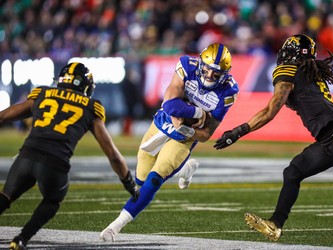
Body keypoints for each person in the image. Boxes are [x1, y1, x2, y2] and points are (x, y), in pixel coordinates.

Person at [214, 34, 333, 241]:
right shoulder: (308, 71)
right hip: (330, 138)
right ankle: (275, 224)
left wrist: (238, 131)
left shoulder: (287, 70)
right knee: (293, 172)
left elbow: (271, 110)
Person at [100, 43, 239, 241]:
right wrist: (197, 112)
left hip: (186, 137)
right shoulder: (187, 65)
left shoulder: (228, 91)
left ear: (225, 74)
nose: (209, 76)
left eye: (216, 74)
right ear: (200, 63)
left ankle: (115, 226)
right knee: (140, 179)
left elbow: (207, 133)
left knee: (154, 180)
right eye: (207, 69)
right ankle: (184, 169)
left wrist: (188, 128)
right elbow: (170, 104)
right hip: (162, 123)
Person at [0, 62, 139, 249]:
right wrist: (129, 184)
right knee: (52, 200)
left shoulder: (42, 93)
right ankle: (21, 238)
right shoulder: (91, 106)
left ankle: (20, 237)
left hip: (26, 156)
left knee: (6, 197)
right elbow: (113, 154)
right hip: (55, 163)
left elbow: (3, 116)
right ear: (85, 85)